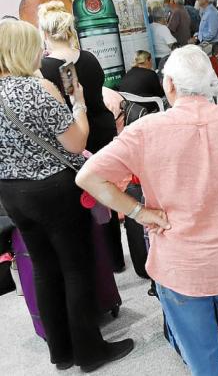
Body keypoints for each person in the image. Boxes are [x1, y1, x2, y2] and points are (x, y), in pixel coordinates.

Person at [76, 45, 218, 376]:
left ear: (169, 84)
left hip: (180, 265)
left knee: (202, 357)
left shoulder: (145, 130)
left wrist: (139, 212)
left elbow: (88, 176)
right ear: (210, 83)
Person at [0, 19, 134, 372]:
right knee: (76, 267)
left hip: (12, 192)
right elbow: (75, 143)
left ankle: (61, 352)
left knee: (44, 267)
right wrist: (78, 105)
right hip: (54, 190)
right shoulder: (36, 90)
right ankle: (90, 352)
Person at [37, 1, 125, 272]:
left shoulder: (45, 68)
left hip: (76, 134)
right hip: (104, 129)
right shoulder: (88, 58)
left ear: (45, 34)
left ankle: (96, 261)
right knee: (106, 192)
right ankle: (115, 257)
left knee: (82, 199)